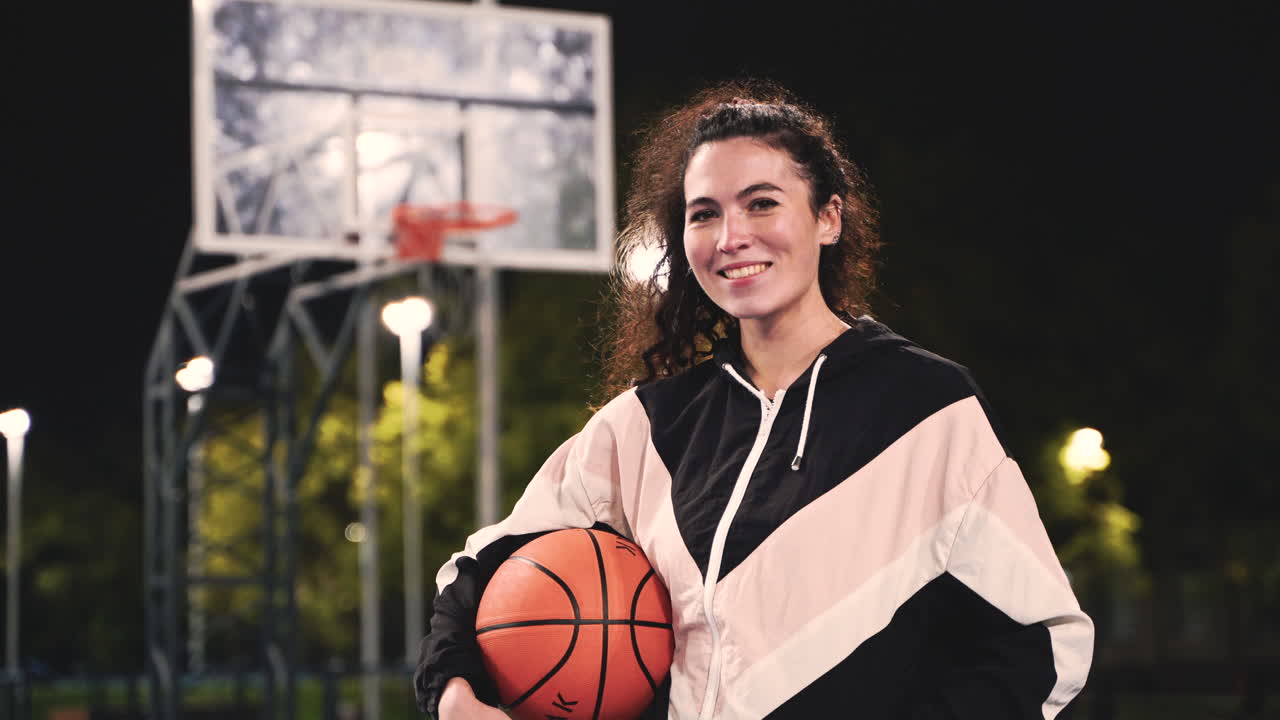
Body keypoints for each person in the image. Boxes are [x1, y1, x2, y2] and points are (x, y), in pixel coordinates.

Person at [414, 80, 1094, 719]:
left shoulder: (927, 410)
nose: (731, 236)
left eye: (761, 203)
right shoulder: (649, 425)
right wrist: (453, 692)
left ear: (828, 218)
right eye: (704, 214)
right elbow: (483, 570)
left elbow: (1039, 642)